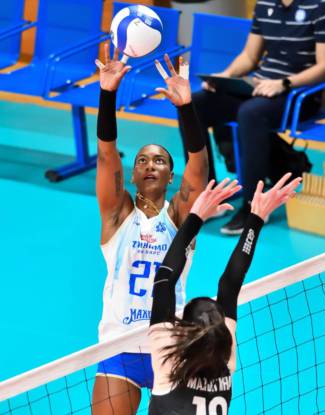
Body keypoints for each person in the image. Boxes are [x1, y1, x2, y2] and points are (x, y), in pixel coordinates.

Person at [91, 46, 209, 415]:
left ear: (171, 176)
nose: (150, 165)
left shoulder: (180, 219)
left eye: (159, 160)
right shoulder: (116, 216)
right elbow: (106, 153)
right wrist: (107, 93)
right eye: (142, 160)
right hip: (120, 346)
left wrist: (186, 107)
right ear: (133, 174)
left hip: (170, 349)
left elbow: (199, 165)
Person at [179, 0, 325, 235]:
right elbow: (249, 56)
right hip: (261, 88)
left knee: (250, 113)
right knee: (193, 105)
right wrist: (225, 76)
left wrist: (284, 83)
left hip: (300, 95)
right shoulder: (265, 4)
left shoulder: (324, 8)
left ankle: (253, 206)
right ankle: (207, 196)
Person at [147, 173, 301, 414]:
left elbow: (166, 280)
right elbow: (229, 284)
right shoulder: (224, 359)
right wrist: (256, 218)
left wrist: (196, 217)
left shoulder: (170, 362)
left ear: (185, 330)